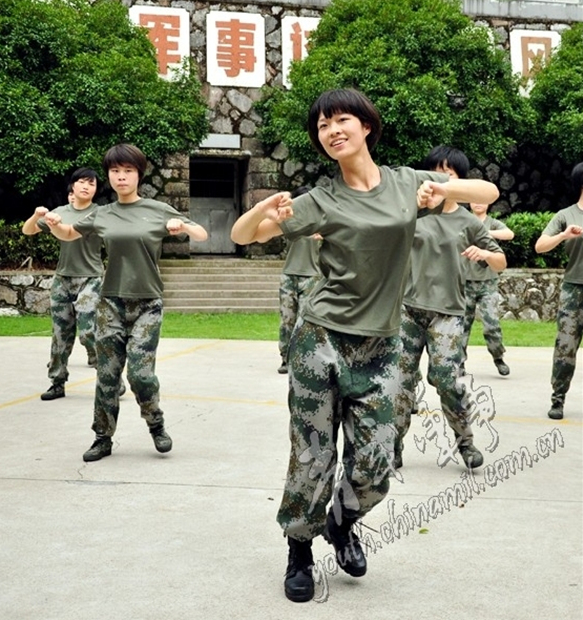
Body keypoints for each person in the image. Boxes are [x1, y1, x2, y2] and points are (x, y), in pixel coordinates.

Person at [230, 89, 499, 603]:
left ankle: (342, 521)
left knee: (376, 463)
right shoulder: (321, 199)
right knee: (312, 455)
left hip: (381, 346)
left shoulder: (405, 183)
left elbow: (486, 190)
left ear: (366, 126)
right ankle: (299, 550)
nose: (332, 131)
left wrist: (441, 190)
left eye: (341, 120)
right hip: (321, 339)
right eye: (322, 125)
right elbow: (247, 235)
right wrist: (264, 206)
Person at [44, 144, 208, 461]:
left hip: (147, 304)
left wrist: (183, 226)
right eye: (115, 171)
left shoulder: (158, 209)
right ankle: (102, 437)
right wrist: (53, 223)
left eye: (128, 171)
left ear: (138, 175)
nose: (121, 177)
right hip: (111, 304)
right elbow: (68, 233)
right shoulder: (102, 213)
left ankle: (156, 423)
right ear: (109, 176)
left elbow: (201, 234)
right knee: (107, 374)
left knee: (141, 374)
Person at [394, 146, 506, 472]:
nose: (441, 179)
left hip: (448, 313)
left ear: (461, 181)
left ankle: (466, 444)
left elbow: (500, 261)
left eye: (449, 174)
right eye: (436, 172)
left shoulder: (468, 222)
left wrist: (485, 255)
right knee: (399, 382)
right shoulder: (411, 214)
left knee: (446, 380)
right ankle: (392, 447)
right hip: (408, 311)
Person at [22, 168, 103, 401]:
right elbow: (28, 230)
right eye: (82, 182)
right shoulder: (59, 212)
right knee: (60, 334)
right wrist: (36, 216)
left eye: (92, 184)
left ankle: (110, 378)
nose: (86, 187)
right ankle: (57, 383)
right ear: (73, 187)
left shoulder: (100, 213)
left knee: (88, 331)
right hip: (63, 279)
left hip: (91, 278)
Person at [535, 162, 583, 420]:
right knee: (565, 347)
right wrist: (564, 235)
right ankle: (558, 399)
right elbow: (540, 246)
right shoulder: (566, 215)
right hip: (573, 290)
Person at [460, 202, 515, 376]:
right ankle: (459, 362)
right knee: (462, 325)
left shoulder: (492, 223)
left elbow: (509, 234)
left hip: (488, 283)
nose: (478, 203)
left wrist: (484, 232)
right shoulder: (463, 219)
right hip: (465, 282)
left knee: (492, 324)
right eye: (475, 200)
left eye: (482, 200)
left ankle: (498, 357)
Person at [277, 186, 321, 374]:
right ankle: (286, 358)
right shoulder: (287, 220)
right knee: (287, 319)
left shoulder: (321, 221)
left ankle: (303, 358)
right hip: (289, 275)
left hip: (312, 276)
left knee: (305, 321)